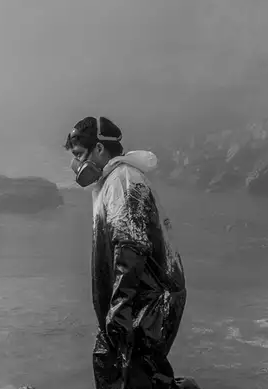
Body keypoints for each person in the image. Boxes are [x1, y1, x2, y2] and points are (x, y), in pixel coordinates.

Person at [64, 116, 199, 389]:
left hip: (149, 299)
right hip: (136, 297)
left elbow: (131, 246)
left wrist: (120, 307)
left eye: (78, 154)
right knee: (109, 361)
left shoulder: (123, 181)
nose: (74, 164)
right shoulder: (110, 181)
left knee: (138, 373)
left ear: (99, 149)